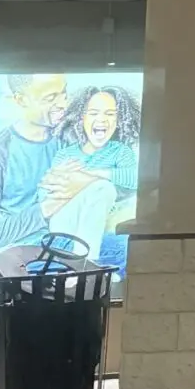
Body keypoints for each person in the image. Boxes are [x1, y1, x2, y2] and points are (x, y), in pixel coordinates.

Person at [0, 73, 92, 276]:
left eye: (64, 93)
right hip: (28, 271)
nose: (63, 104)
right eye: (50, 98)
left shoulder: (74, 137)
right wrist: (45, 209)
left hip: (82, 259)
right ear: (21, 100)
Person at [53, 84, 142, 271]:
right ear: (81, 118)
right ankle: (82, 267)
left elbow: (135, 178)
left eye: (110, 114)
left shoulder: (121, 152)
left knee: (103, 188)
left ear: (118, 120)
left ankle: (88, 268)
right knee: (103, 188)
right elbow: (48, 193)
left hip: (102, 223)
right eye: (93, 113)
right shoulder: (65, 155)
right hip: (65, 222)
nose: (101, 119)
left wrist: (93, 175)